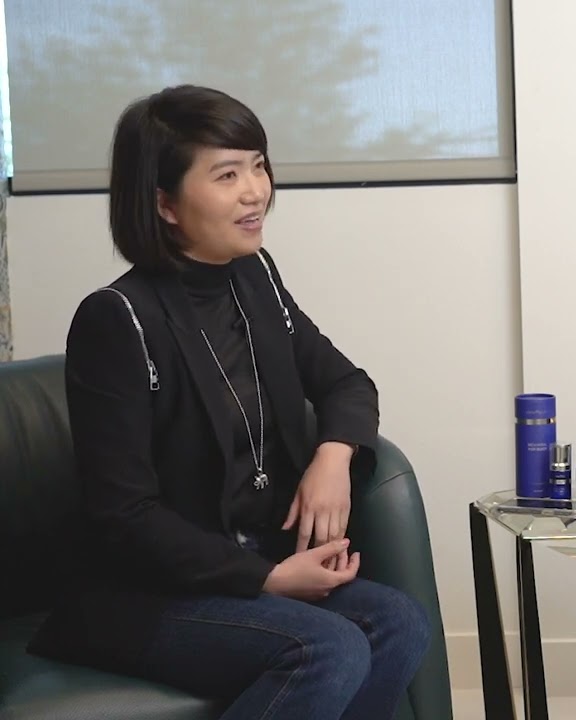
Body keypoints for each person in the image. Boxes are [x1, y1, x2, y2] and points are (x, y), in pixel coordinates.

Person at [26, 85, 432, 720]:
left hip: (261, 559)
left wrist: (332, 457)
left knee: (399, 622)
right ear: (164, 202)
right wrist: (266, 580)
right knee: (326, 648)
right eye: (227, 174)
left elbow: (347, 383)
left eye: (258, 165)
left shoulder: (256, 276)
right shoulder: (116, 318)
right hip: (149, 594)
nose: (256, 190)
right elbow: (123, 514)